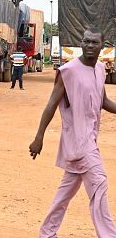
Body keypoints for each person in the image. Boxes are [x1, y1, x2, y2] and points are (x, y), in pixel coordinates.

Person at [29, 27, 116, 237]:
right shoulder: (68, 71)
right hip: (78, 142)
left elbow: (102, 100)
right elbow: (51, 104)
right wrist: (38, 137)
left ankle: (47, 233)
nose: (88, 46)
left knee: (65, 192)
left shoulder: (100, 70)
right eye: (86, 41)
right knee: (99, 183)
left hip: (89, 139)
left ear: (102, 47)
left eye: (94, 42)